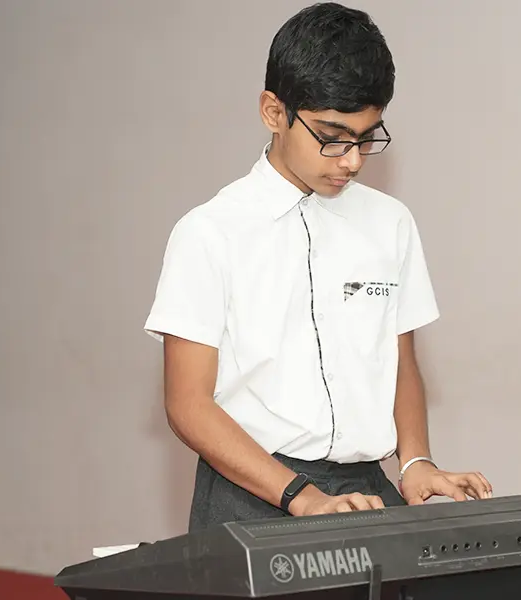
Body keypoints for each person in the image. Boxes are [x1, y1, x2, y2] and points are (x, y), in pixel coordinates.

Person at [144, 2, 491, 533]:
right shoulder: (210, 232)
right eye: (332, 136)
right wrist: (301, 497)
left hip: (365, 490)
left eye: (366, 137)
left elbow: (400, 361)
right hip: (249, 493)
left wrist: (416, 461)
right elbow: (187, 404)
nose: (352, 159)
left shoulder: (391, 222)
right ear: (273, 112)